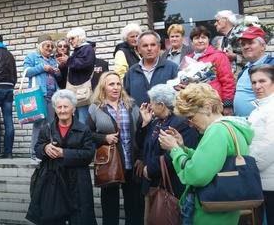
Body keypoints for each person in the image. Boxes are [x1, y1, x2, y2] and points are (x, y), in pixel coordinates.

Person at [159, 83, 254, 224]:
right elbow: (211, 162)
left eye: (191, 117)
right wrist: (183, 148)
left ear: (208, 108)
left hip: (210, 213)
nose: (190, 124)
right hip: (225, 210)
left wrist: (174, 150)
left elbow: (196, 175)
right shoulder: (232, 127)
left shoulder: (217, 131)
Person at [86, 71, 143, 225]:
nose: (116, 87)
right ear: (103, 86)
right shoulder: (95, 108)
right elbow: (87, 134)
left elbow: (141, 134)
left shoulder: (131, 105)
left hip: (132, 162)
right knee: (110, 207)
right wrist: (104, 138)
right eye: (111, 84)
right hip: (109, 164)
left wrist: (141, 157)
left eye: (118, 84)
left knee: (135, 207)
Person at [32, 89, 97, 224]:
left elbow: (88, 155)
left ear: (73, 108)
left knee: (80, 219)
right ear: (55, 109)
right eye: (59, 107)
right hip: (53, 181)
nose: (62, 110)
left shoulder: (84, 129)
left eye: (66, 107)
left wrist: (64, 153)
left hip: (78, 182)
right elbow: (37, 148)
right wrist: (45, 148)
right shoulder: (47, 128)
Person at [138, 84, 199, 222]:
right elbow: (143, 145)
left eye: (152, 103)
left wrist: (150, 169)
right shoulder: (155, 122)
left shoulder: (181, 123)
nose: (150, 106)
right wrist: (144, 124)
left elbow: (174, 153)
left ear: (161, 104)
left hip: (170, 186)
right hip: (152, 184)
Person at [24, 34, 60, 163]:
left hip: (52, 95)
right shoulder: (32, 57)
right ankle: (35, 153)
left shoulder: (52, 60)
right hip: (39, 95)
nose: (50, 48)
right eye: (47, 46)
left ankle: (48, 151)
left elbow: (58, 77)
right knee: (39, 124)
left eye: (51, 46)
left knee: (50, 124)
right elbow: (26, 72)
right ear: (40, 46)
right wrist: (42, 67)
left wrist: (57, 72)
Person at [124, 30, 178, 107]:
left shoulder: (172, 68)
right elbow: (126, 99)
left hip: (168, 118)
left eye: (153, 45)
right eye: (145, 46)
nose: (149, 48)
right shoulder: (131, 72)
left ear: (159, 47)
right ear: (139, 49)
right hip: (140, 118)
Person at [248, 65, 274, 224]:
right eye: (254, 82)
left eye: (262, 81)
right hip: (262, 179)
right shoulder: (259, 108)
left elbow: (271, 144)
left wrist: (250, 166)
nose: (257, 86)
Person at [188, 26, 235, 115]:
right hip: (195, 105)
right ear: (192, 41)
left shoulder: (218, 56)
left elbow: (227, 81)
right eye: (197, 38)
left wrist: (227, 105)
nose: (200, 40)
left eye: (203, 37)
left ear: (208, 40)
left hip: (214, 105)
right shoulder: (188, 59)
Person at [234, 26, 274, 117]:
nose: (246, 47)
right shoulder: (244, 69)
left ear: (263, 46)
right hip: (244, 124)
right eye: (243, 44)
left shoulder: (272, 65)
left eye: (251, 43)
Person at [63, 27, 96, 123]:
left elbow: (85, 63)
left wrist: (68, 60)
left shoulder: (87, 48)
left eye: (72, 38)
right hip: (77, 89)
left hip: (81, 89)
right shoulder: (80, 49)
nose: (70, 41)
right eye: (70, 39)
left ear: (79, 37)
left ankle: (82, 137)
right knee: (78, 117)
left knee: (82, 119)